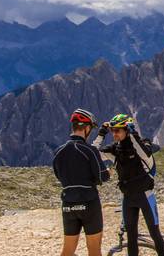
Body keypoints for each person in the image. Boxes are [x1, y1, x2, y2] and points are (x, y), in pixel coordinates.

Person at [94, 114, 164, 256]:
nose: (114, 134)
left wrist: (133, 133)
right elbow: (92, 154)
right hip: (128, 198)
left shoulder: (143, 145)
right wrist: (101, 134)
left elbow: (144, 153)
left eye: (118, 130)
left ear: (126, 130)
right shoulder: (115, 150)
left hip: (145, 196)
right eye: (112, 130)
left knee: (155, 233)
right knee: (131, 237)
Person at [53, 109, 110, 256]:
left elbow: (59, 176)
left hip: (68, 204)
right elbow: (102, 177)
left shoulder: (59, 151)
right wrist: (108, 171)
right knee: (94, 250)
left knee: (67, 251)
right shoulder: (89, 150)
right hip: (89, 202)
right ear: (86, 128)